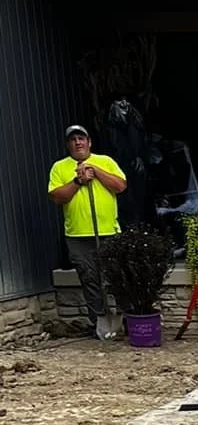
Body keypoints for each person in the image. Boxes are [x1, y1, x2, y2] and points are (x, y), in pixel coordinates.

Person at [48, 126, 127, 339]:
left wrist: (95, 171)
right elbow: (57, 197)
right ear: (68, 144)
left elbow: (120, 186)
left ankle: (122, 318)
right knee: (90, 278)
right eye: (73, 140)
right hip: (78, 235)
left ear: (89, 142)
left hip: (108, 231)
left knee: (116, 276)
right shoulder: (59, 167)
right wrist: (78, 181)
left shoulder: (106, 161)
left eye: (81, 138)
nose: (77, 143)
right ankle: (99, 320)